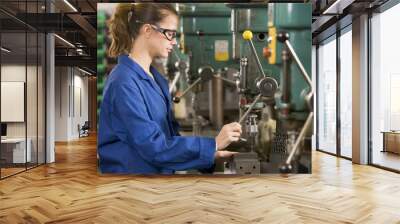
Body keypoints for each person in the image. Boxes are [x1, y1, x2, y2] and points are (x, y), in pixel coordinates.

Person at [98, 3, 242, 174]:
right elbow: (153, 146)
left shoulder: (156, 79)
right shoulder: (123, 82)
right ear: (148, 30)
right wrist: (214, 143)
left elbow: (168, 140)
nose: (174, 42)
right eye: (170, 34)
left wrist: (210, 155)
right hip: (130, 184)